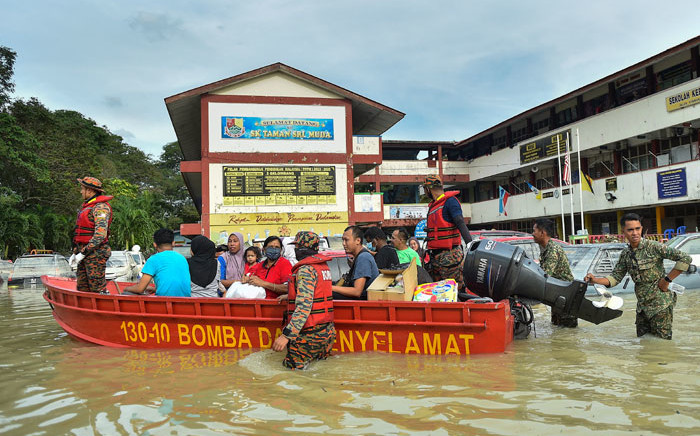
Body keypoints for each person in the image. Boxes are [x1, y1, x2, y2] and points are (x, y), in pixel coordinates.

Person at [585, 213, 692, 340]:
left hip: (661, 304)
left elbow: (685, 258)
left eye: (637, 229)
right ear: (623, 231)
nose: (635, 233)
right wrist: (595, 280)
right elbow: (615, 278)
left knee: (662, 345)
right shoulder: (626, 254)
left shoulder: (653, 247)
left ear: (641, 229)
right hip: (642, 307)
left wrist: (667, 280)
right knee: (644, 343)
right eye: (630, 230)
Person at [272, 231, 335, 369]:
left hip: (309, 335)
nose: (295, 250)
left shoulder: (306, 269)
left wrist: (286, 336)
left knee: (292, 375)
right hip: (327, 332)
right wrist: (290, 296)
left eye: (297, 246)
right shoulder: (323, 267)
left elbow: (304, 307)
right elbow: (316, 294)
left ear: (303, 248)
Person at [423, 175, 472, 290]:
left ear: (428, 189)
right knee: (439, 292)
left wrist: (469, 243)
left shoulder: (450, 201)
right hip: (435, 257)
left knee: (455, 290)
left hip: (450, 256)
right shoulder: (434, 205)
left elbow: (459, 221)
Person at [532, 218, 576, 327]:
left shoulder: (553, 250)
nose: (532, 234)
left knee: (566, 333)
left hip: (566, 297)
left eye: (534, 231)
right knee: (557, 329)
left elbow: (544, 276)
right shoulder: (545, 249)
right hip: (558, 296)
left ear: (542, 233)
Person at [73, 176, 113, 293]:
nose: (81, 192)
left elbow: (100, 235)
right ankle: (85, 310)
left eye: (82, 189)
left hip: (96, 252)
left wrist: (84, 252)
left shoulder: (100, 207)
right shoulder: (86, 206)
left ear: (89, 191)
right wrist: (76, 252)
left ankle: (103, 309)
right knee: (82, 287)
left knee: (97, 287)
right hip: (83, 251)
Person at [123, 228, 191, 297]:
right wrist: (155, 289)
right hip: (185, 302)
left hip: (164, 302)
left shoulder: (153, 259)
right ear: (173, 243)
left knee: (126, 293)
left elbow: (140, 288)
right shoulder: (182, 258)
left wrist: (126, 288)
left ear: (155, 245)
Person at [331, 226, 379, 300]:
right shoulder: (359, 257)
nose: (343, 244)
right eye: (343, 240)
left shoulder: (363, 257)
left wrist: (330, 288)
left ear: (358, 241)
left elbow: (356, 291)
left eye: (346, 240)